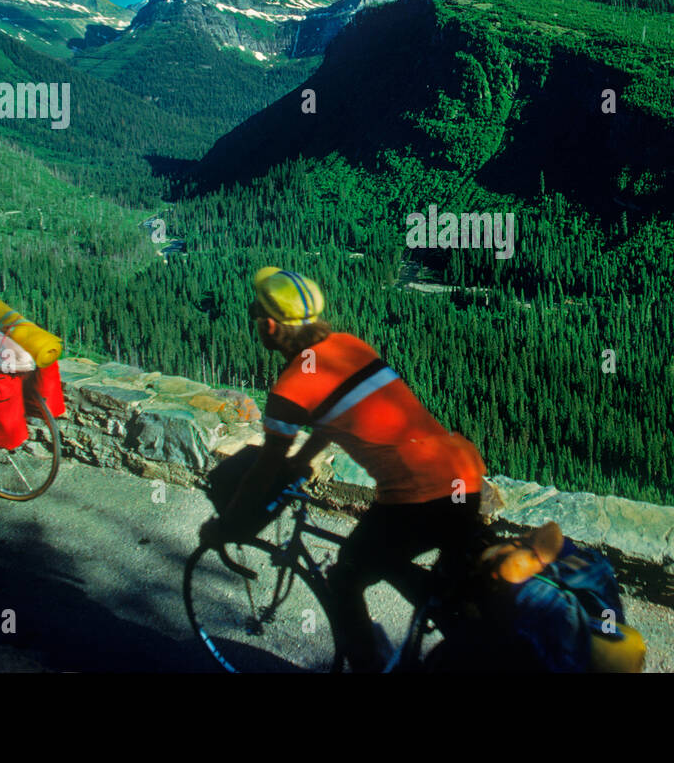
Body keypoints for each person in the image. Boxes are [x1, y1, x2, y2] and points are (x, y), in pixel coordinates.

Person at [204, 266, 489, 672]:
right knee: (403, 565)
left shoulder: (290, 388)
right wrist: (304, 460)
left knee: (347, 577)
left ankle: (376, 663)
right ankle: (458, 618)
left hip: (417, 493)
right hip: (461, 470)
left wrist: (228, 526)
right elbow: (337, 414)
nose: (254, 324)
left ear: (269, 325)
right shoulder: (348, 345)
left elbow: (263, 472)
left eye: (255, 316)